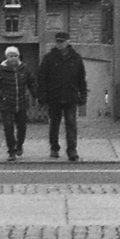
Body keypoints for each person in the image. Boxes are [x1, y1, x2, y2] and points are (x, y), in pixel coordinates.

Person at [39, 30, 87, 161]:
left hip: (70, 96)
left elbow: (81, 78)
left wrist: (83, 94)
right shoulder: (48, 58)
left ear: (68, 42)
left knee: (71, 124)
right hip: (53, 96)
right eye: (58, 42)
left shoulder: (76, 58)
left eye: (62, 42)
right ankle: (54, 148)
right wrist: (42, 95)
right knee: (54, 124)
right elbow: (42, 77)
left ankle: (72, 150)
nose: (59, 44)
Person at [0, 45, 36, 161]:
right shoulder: (0, 70)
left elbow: (31, 82)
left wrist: (36, 94)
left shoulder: (24, 69)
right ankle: (11, 150)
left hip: (21, 102)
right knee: (8, 127)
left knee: (22, 126)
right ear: (7, 57)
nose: (13, 58)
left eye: (15, 56)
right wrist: (1, 95)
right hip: (6, 103)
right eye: (11, 56)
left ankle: (19, 145)